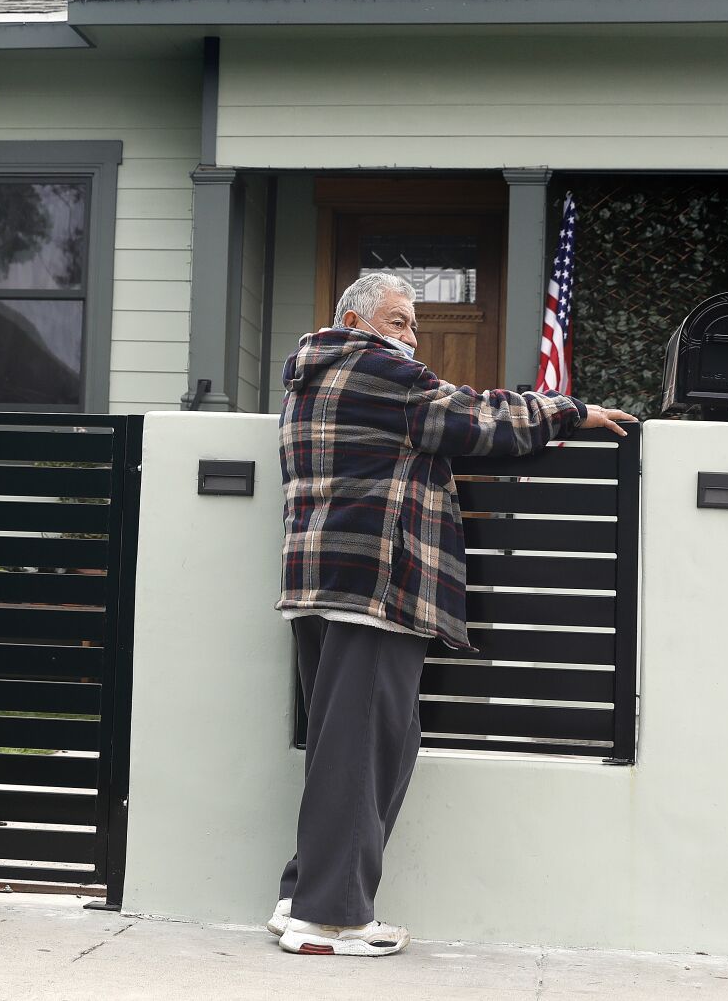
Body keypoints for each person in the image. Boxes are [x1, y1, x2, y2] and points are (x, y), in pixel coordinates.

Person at [267, 271, 634, 957]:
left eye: (412, 324)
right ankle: (332, 919)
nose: (413, 336)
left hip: (320, 581)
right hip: (380, 584)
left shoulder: (309, 378)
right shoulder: (374, 370)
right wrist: (565, 410)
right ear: (357, 321)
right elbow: (476, 419)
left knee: (353, 747)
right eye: (402, 321)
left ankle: (303, 896)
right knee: (364, 749)